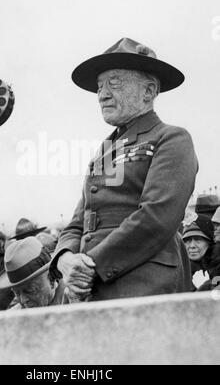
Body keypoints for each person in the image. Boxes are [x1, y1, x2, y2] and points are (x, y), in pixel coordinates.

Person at [50, 37, 198, 302]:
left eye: (114, 84)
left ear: (148, 91)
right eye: (99, 87)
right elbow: (77, 223)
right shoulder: (104, 150)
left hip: (142, 286)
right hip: (87, 290)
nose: (102, 95)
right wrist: (65, 260)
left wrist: (88, 267)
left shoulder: (172, 138)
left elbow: (156, 218)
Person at [0, 237, 64, 309]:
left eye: (30, 291)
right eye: (17, 293)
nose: (23, 300)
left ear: (51, 280)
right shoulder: (13, 316)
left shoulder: (73, 304)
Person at [182, 214, 215, 289]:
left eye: (198, 239)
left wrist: (205, 286)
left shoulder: (217, 267)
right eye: (187, 240)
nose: (192, 246)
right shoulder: (180, 272)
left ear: (209, 242)